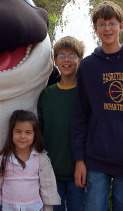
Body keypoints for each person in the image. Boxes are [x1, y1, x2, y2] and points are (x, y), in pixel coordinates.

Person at [71, 1, 123, 211]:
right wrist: (79, 159)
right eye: (102, 24)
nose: (107, 28)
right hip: (95, 160)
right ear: (95, 29)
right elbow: (80, 116)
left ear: (121, 26)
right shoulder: (88, 67)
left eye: (112, 23)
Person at [38, 36, 85, 211]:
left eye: (72, 56)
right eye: (62, 56)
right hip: (52, 173)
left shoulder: (85, 94)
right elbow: (40, 132)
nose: (67, 60)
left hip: (79, 173)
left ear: (80, 59)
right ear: (55, 60)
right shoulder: (47, 95)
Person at [0, 110, 61, 211]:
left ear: (35, 135)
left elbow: (48, 187)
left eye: (28, 132)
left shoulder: (41, 159)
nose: (23, 136)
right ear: (11, 133)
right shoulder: (1, 160)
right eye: (18, 131)